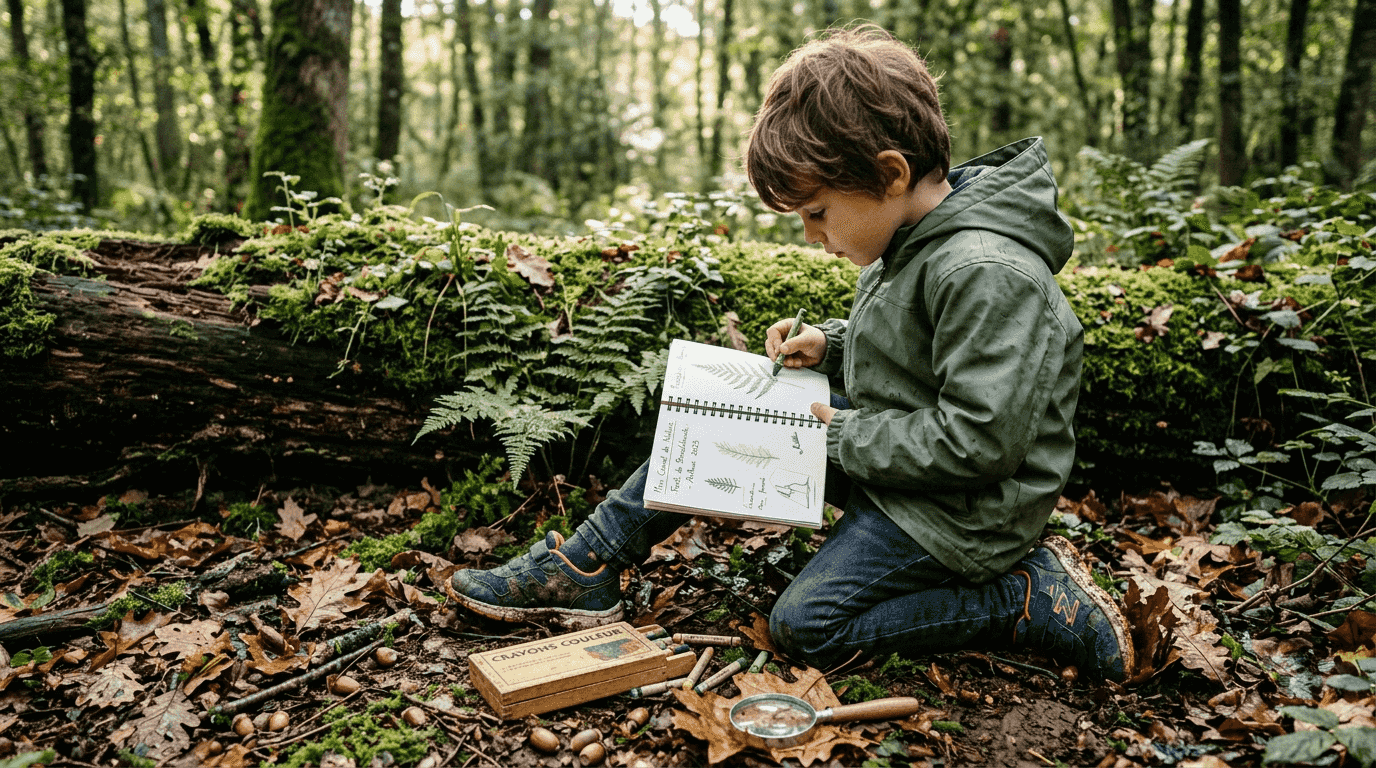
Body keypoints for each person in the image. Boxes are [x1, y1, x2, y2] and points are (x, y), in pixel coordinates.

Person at [448, 24, 1134, 683]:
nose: (812, 236)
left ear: (890, 173)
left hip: (960, 514)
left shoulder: (987, 271)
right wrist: (831, 345)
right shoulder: (917, 241)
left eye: (817, 212)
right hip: (895, 463)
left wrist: (836, 437)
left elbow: (980, 443)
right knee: (725, 413)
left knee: (806, 626)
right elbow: (919, 349)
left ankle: (1021, 598)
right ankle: (589, 562)